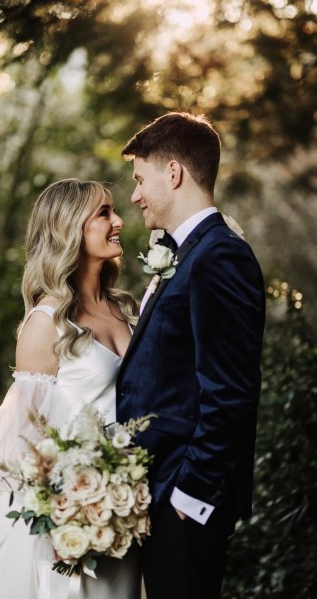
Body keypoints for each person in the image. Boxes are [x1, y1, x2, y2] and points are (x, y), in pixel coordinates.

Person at [0, 179, 141, 599]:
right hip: (71, 516)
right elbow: (30, 442)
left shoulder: (127, 309)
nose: (118, 221)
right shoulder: (47, 323)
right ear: (68, 228)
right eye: (104, 213)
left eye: (113, 210)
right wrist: (62, 522)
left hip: (127, 502)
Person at [116, 112, 265, 599]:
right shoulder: (190, 253)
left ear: (174, 172)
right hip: (160, 495)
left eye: (140, 179)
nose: (135, 195)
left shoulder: (219, 256)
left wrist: (189, 495)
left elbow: (230, 394)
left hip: (185, 503)